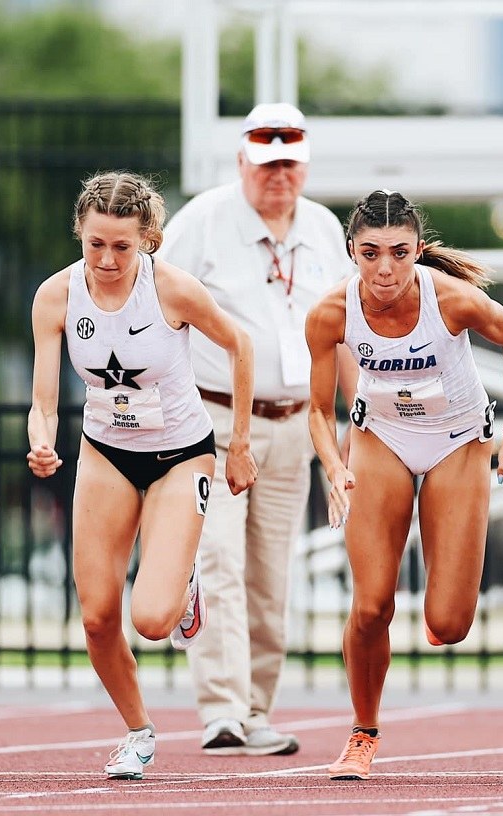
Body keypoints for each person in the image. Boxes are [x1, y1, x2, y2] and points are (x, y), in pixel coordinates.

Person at [27, 171, 257, 779]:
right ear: (80, 234)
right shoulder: (55, 296)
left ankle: (182, 586)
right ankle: (138, 731)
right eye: (95, 244)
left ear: (147, 240)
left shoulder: (172, 290)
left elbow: (240, 346)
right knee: (98, 616)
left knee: (152, 620)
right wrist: (41, 440)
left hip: (181, 454)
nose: (107, 259)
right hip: (106, 452)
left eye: (122, 247)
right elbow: (44, 401)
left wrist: (239, 444)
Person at [306, 189, 503, 781]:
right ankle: (363, 731)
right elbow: (318, 410)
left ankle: (440, 606)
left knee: (450, 623)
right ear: (352, 251)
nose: (385, 269)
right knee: (371, 603)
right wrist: (334, 466)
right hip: (380, 437)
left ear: (418, 250)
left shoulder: (450, 298)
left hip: (457, 440)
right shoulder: (330, 313)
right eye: (371, 253)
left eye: (399, 254)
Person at [157, 101, 356, 757]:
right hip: (214, 420)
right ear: (242, 160)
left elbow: (344, 332)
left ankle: (258, 709)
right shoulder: (202, 222)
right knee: (217, 557)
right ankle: (222, 710)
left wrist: (353, 425)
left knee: (272, 574)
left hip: (294, 423)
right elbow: (157, 308)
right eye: (267, 163)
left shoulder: (324, 228)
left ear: (305, 166)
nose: (278, 175)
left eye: (289, 164)